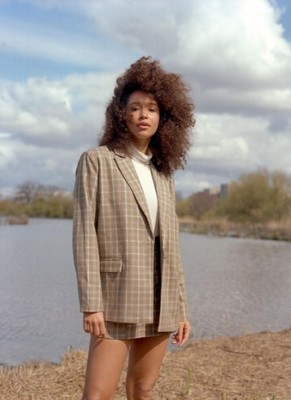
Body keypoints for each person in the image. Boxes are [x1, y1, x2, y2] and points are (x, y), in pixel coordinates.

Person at [73, 56, 195, 400]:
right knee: (97, 395)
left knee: (143, 390)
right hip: (114, 299)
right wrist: (91, 303)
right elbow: (84, 235)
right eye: (135, 107)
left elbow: (171, 248)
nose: (144, 115)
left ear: (164, 118)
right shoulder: (97, 160)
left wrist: (181, 309)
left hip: (161, 300)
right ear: (120, 114)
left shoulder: (164, 175)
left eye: (152, 108)